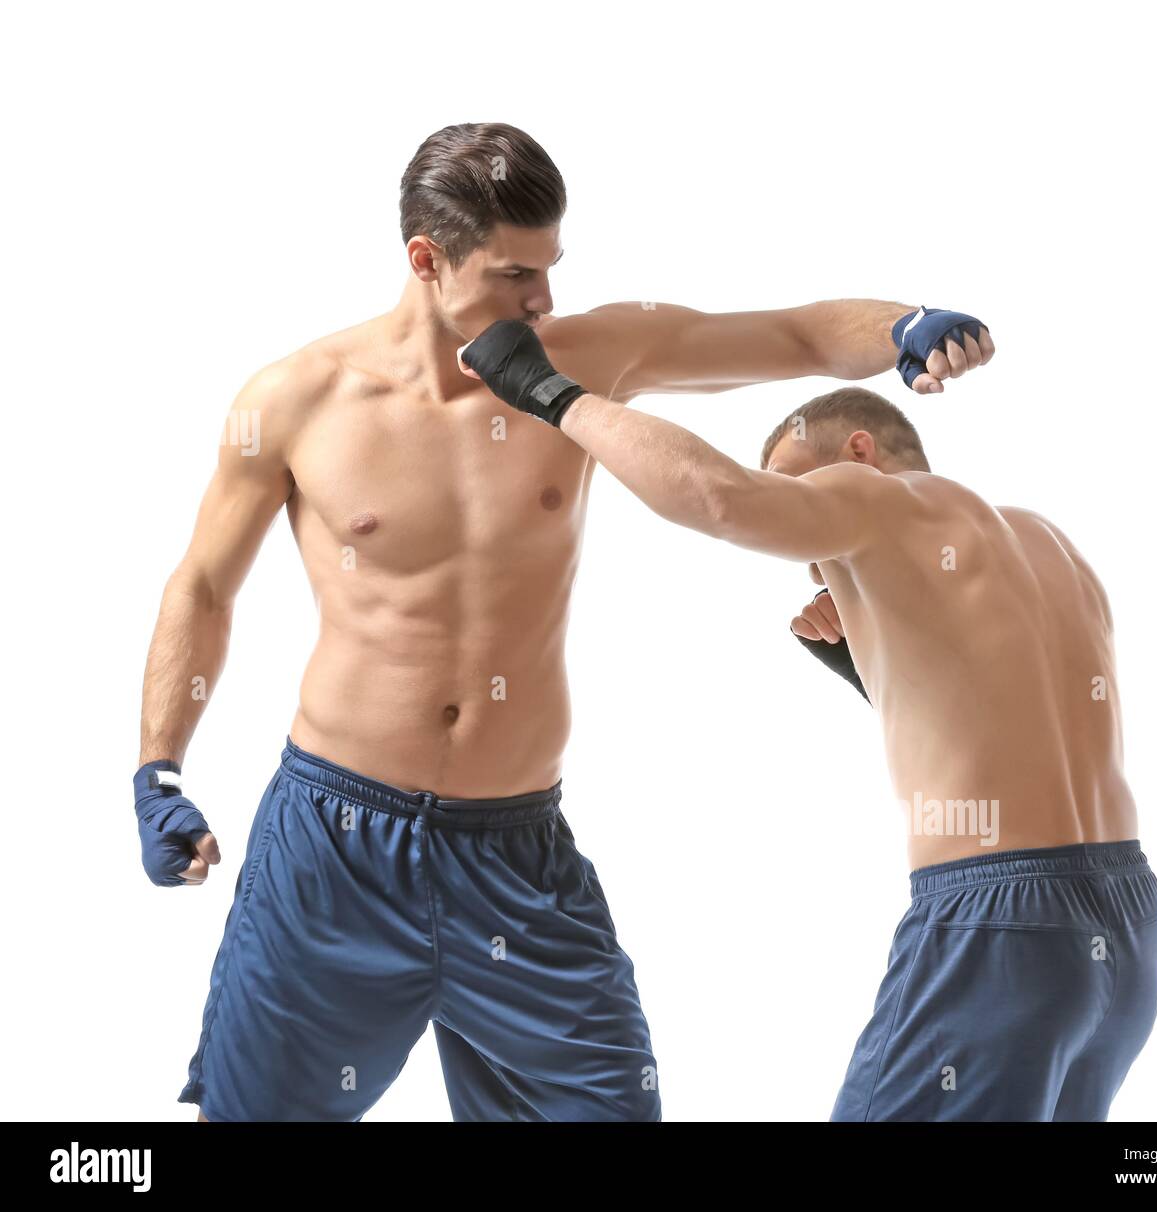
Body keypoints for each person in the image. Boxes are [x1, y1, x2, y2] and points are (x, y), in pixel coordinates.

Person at [133, 121, 992, 1121]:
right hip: (333, 852)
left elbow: (792, 334)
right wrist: (158, 769)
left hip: (516, 855)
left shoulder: (586, 359)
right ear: (425, 259)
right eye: (512, 276)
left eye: (550, 269)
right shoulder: (294, 401)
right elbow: (201, 587)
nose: (541, 301)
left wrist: (904, 326)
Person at [458, 318, 1157, 1122]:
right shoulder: (1047, 545)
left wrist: (553, 396)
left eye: (800, 487)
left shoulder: (872, 496)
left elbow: (718, 499)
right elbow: (1021, 725)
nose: (809, 547)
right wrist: (870, 666)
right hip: (1125, 925)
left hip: (1000, 925)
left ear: (859, 453)